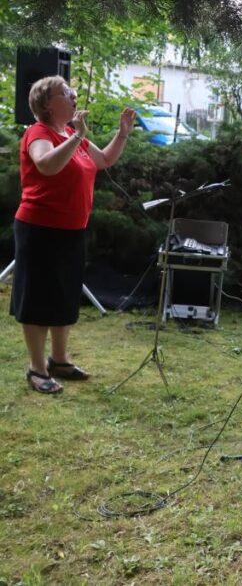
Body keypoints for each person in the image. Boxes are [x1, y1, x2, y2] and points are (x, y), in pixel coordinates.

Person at [11, 76, 135, 394]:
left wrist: (121, 135)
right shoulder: (38, 133)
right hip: (39, 228)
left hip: (71, 229)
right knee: (38, 296)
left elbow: (104, 160)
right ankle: (37, 369)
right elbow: (45, 165)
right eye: (66, 92)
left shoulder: (70, 134)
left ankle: (60, 360)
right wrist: (76, 136)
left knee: (65, 293)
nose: (74, 95)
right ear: (47, 103)